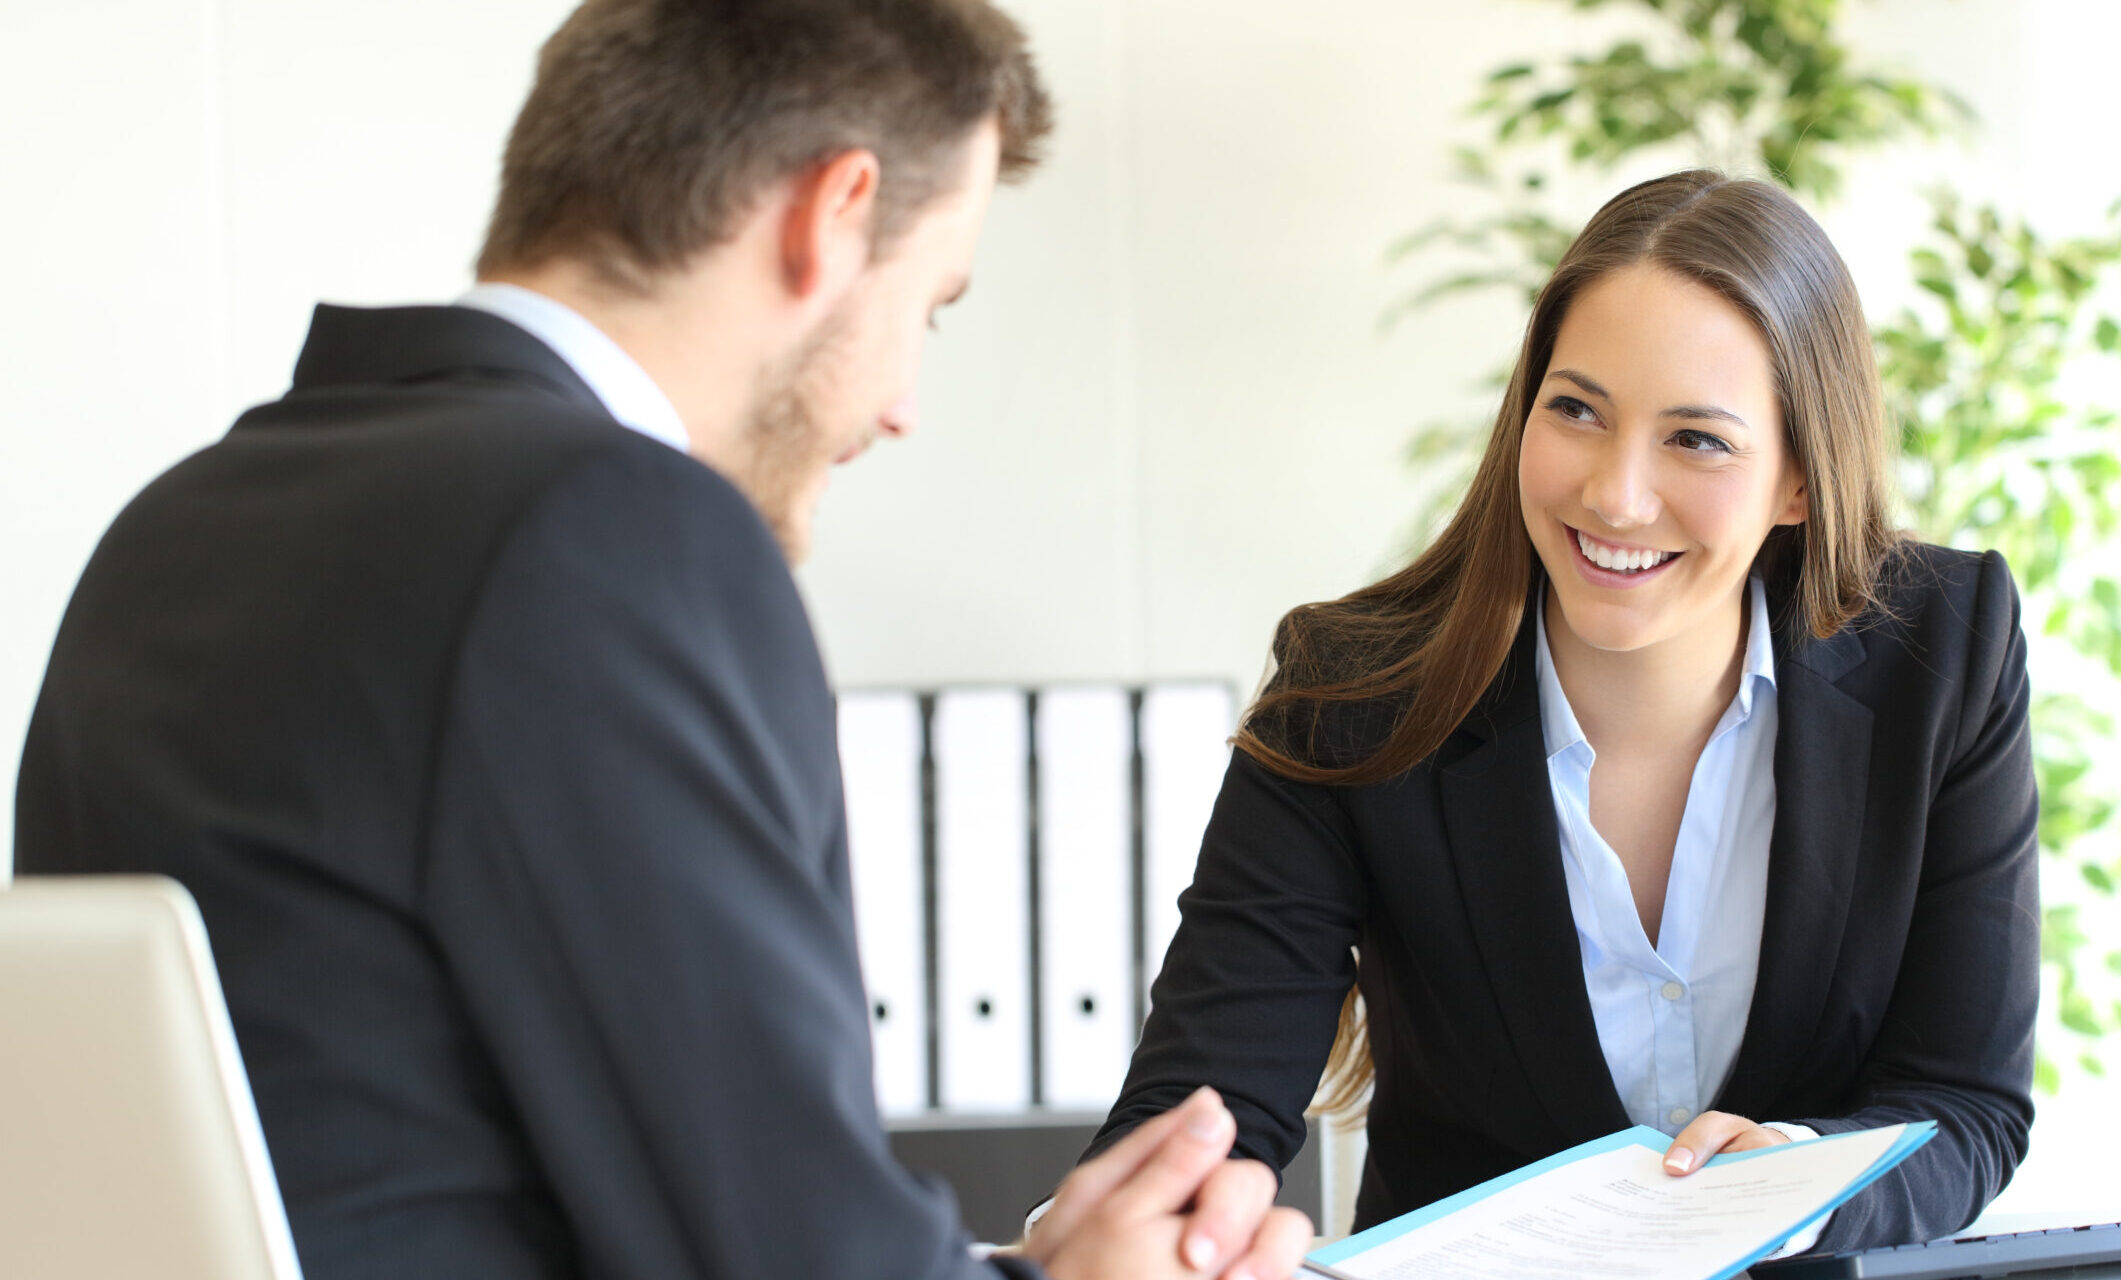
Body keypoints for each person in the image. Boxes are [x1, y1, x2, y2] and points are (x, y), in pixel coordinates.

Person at [12, 2, 1309, 1278]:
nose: (905, 405)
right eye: (934, 306)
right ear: (833, 213)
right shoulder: (605, 528)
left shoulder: (182, 520)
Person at [1077, 170, 2039, 1251]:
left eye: (1697, 439)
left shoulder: (1943, 651)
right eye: (1576, 410)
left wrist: (1805, 1185)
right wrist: (1167, 1232)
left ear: (1801, 481)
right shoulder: (1348, 692)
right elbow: (1202, 1112)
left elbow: (1965, 1103)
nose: (1615, 495)